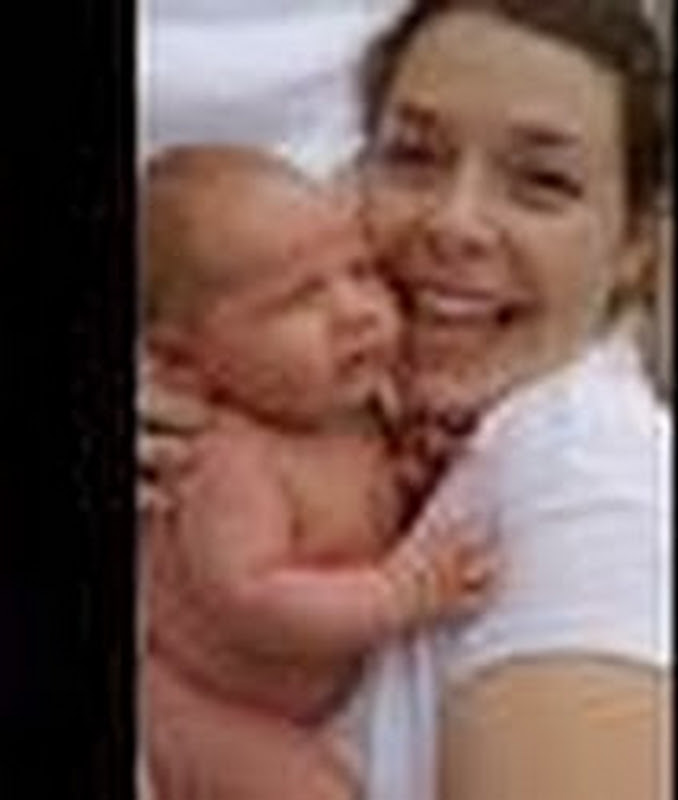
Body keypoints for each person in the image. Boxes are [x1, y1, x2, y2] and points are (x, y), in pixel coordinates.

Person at [141, 0, 672, 797]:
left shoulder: (591, 471)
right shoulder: (339, 413)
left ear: (636, 246)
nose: (455, 224)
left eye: (542, 182)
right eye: (414, 157)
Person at [140, 145, 496, 800]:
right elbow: (251, 599)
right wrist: (398, 595)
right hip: (209, 703)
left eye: (361, 271)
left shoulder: (354, 403)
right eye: (300, 298)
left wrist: (414, 468)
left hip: (320, 692)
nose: (357, 311)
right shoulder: (226, 461)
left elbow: (364, 502)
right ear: (182, 362)